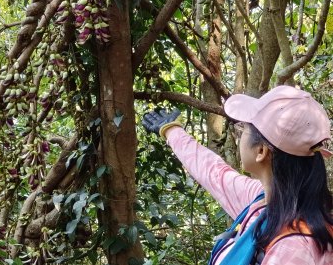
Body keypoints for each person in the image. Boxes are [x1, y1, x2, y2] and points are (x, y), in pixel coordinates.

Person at [142, 85, 333, 265]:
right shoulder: (265, 201)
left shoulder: (294, 246)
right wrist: (173, 132)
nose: (239, 134)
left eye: (244, 129)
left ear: (261, 151)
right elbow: (214, 172)